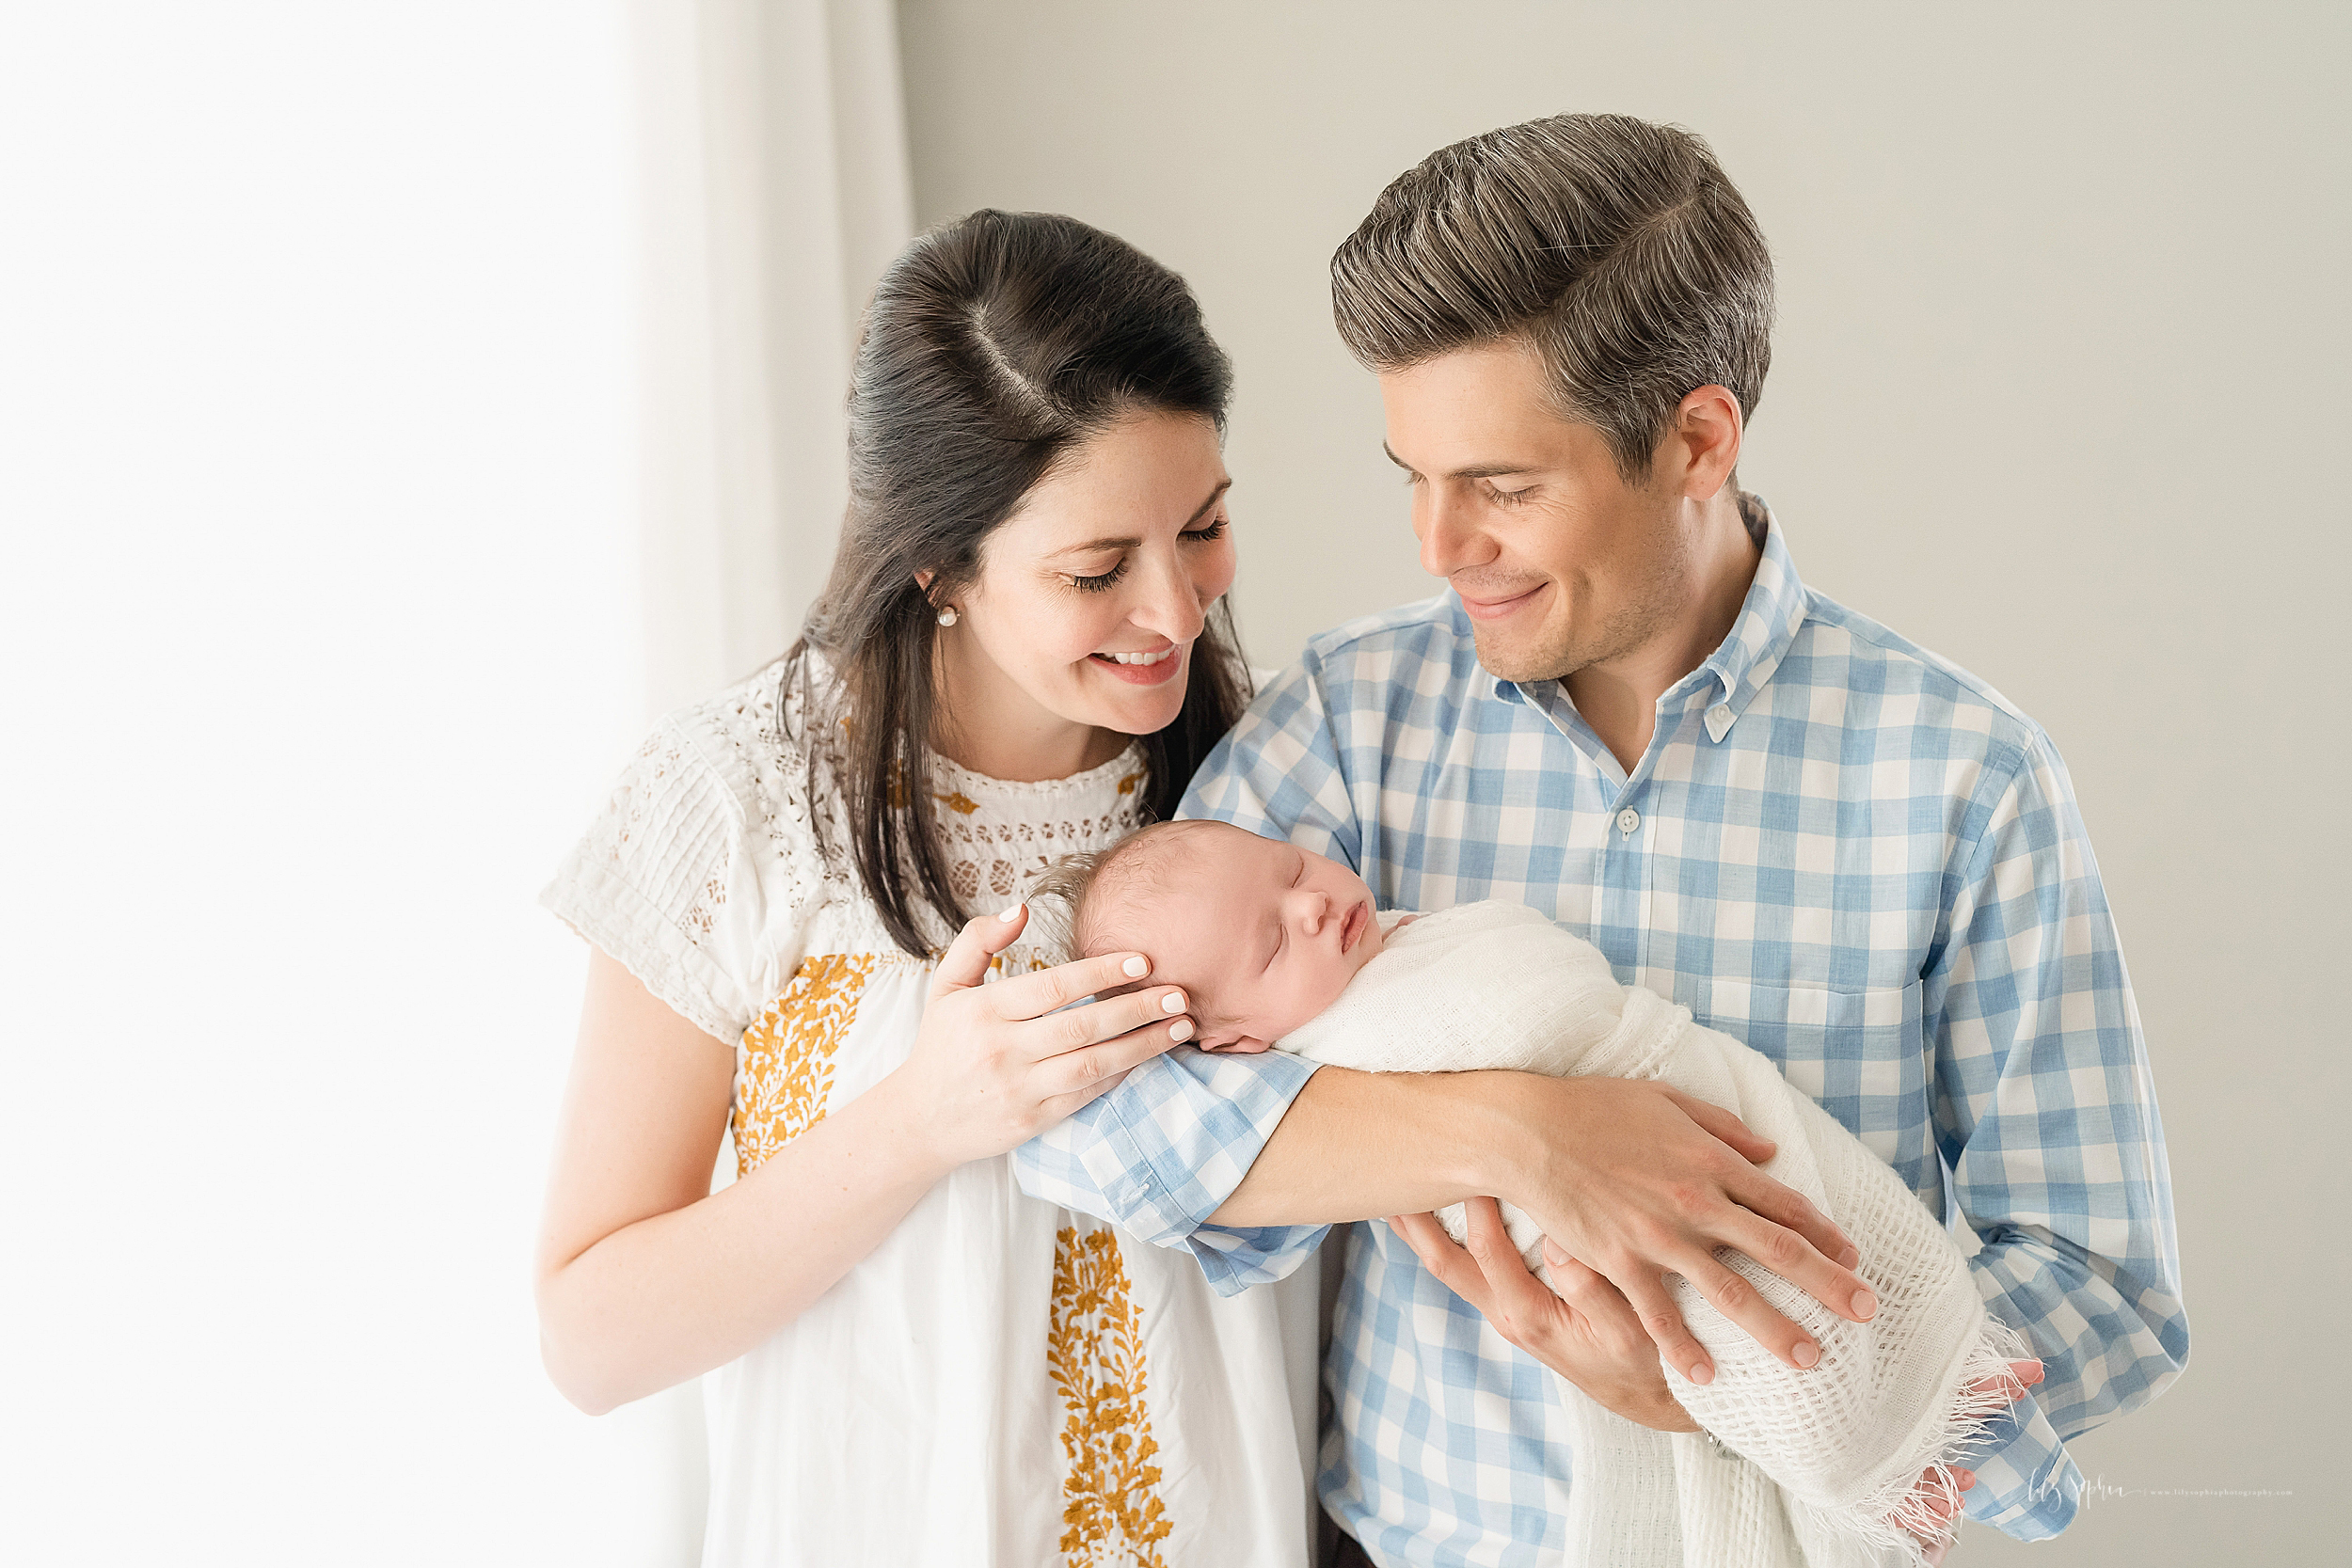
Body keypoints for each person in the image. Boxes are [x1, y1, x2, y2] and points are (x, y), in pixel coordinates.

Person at [1018, 114, 2186, 1566]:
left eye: (1503, 487)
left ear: (1698, 440)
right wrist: (1531, 1136)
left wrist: (1747, 1390)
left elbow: (2100, 1285)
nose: (1440, 548)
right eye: (1414, 478)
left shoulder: (1965, 780)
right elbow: (1098, 1109)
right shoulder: (1353, 719)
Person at [532, 210, 1333, 1565]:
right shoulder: (739, 795)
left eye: (1201, 526)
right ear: (936, 565)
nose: (1178, 614)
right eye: (1095, 570)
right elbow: (592, 1337)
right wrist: (919, 1117)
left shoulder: (1266, 776)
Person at [1041, 816, 2043, 1563]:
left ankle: (1933, 1403)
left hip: (1716, 1117)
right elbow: (1092, 1131)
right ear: (1228, 1040)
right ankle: (1859, 1461)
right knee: (1760, 1333)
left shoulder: (1402, 941)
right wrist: (1527, 1131)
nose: (1312, 903)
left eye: (1294, 867)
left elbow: (1543, 979)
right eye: (1271, 942)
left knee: (1820, 1246)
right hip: (1426, 1520)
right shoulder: (1330, 1044)